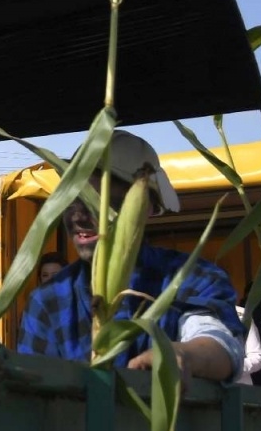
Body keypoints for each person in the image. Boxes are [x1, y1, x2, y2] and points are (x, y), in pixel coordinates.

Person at [18, 131, 243, 381]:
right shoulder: (47, 301)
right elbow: (33, 386)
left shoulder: (192, 278)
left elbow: (218, 342)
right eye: (72, 199)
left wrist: (182, 355)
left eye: (98, 203)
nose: (78, 216)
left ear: (145, 207)